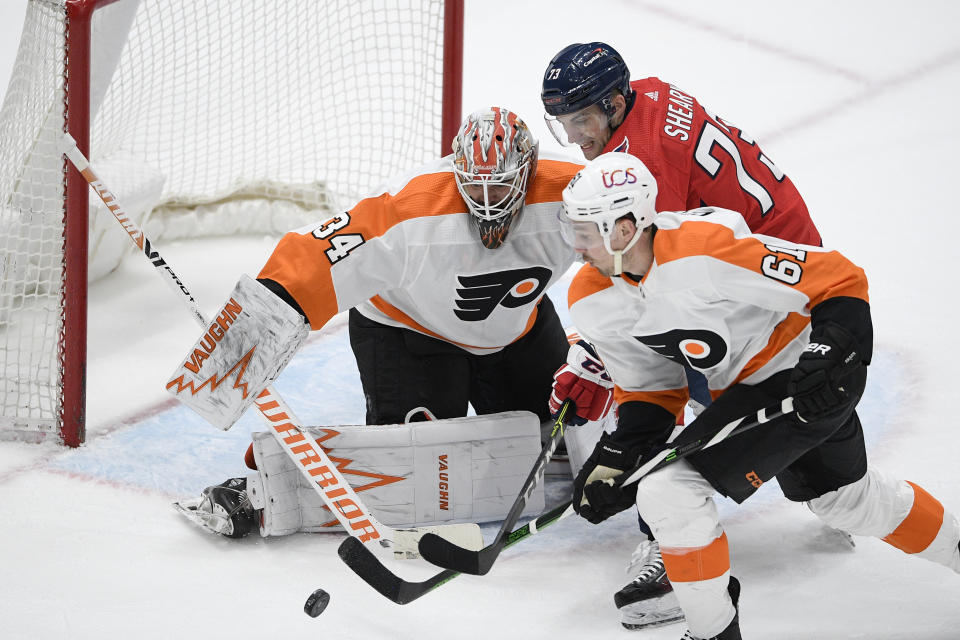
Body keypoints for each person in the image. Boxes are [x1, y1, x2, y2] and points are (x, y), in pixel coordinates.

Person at [559, 152, 960, 639]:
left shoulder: (704, 250)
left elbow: (839, 279)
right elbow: (652, 387)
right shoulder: (592, 298)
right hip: (750, 393)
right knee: (847, 501)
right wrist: (620, 453)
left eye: (584, 230)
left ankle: (713, 632)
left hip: (809, 378)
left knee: (669, 489)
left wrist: (832, 352)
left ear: (624, 228)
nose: (574, 246)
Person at [183, 107, 584, 537]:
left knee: (567, 429)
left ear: (529, 170)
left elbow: (643, 236)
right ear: (455, 171)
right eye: (475, 187)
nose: (488, 203)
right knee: (422, 464)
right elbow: (314, 255)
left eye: (501, 186)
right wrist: (241, 338)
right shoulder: (410, 208)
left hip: (514, 330)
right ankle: (262, 490)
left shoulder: (573, 193)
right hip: (409, 332)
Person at [541, 41, 823, 629]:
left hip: (769, 275)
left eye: (584, 121)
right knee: (772, 400)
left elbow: (642, 283)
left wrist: (591, 357)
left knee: (679, 385)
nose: (577, 139)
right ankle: (837, 483)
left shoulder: (645, 159)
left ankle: (668, 552)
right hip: (772, 251)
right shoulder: (643, 104)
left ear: (617, 103)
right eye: (564, 125)